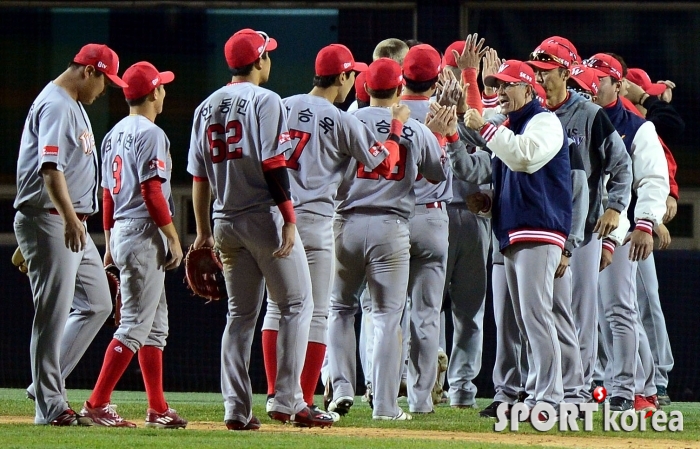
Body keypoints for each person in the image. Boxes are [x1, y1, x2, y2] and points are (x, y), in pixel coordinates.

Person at [187, 28, 330, 430]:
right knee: (297, 305)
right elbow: (273, 163)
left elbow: (199, 178)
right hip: (263, 217)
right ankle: (289, 400)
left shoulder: (206, 105)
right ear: (258, 61)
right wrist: (289, 217)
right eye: (267, 55)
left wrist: (202, 232)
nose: (269, 60)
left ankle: (236, 408)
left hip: (225, 221)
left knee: (240, 316)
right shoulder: (266, 100)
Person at [260, 43, 405, 421]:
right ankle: (302, 401)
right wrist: (396, 128)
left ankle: (276, 393)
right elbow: (383, 162)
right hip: (315, 221)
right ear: (341, 76)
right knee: (318, 313)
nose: (352, 81)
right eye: (350, 74)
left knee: (277, 307)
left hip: (276, 215)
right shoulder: (343, 119)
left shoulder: (280, 105)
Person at [326, 57, 447, 421]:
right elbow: (438, 173)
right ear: (399, 90)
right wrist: (436, 136)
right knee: (386, 319)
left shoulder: (346, 121)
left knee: (339, 309)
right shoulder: (413, 127)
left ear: (363, 89)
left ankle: (341, 387)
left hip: (344, 224)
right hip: (391, 226)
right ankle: (384, 406)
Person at [13, 43, 127, 426]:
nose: (104, 90)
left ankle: (44, 384)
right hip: (53, 219)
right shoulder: (58, 104)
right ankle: (49, 406)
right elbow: (49, 168)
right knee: (52, 315)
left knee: (97, 302)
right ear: (88, 71)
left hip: (64, 220)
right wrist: (65, 219)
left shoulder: (71, 103)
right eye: (105, 81)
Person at [79, 61, 186, 428]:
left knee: (154, 328)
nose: (165, 92)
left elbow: (107, 194)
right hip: (143, 233)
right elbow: (151, 190)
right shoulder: (151, 133)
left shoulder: (113, 133)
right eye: (163, 87)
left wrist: (109, 241)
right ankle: (96, 403)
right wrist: (173, 237)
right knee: (135, 327)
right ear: (154, 92)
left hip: (124, 231)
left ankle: (157, 408)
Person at [526, 39, 632, 404]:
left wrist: (615, 208)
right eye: (536, 70)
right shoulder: (532, 112)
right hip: (540, 225)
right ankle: (541, 386)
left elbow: (622, 166)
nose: (540, 77)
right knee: (538, 312)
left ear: (565, 73)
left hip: (582, 230)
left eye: (546, 71)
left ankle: (579, 390)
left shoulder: (589, 114)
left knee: (580, 314)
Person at [464, 60, 572, 416]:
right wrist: (490, 200)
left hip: (540, 231)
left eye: (508, 85)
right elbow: (512, 173)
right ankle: (534, 393)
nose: (501, 92)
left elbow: (525, 158)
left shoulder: (546, 120)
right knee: (527, 320)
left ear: (528, 89)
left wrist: (486, 128)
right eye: (496, 85)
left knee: (538, 317)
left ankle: (550, 398)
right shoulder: (510, 127)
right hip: (515, 231)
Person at [585, 52, 669, 412]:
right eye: (587, 77)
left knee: (620, 307)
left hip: (619, 226)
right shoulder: (575, 115)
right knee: (597, 313)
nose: (590, 85)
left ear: (618, 85)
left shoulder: (637, 126)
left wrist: (646, 223)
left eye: (599, 79)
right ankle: (630, 385)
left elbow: (654, 178)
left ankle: (634, 388)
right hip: (580, 227)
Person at [399, 43, 453, 413]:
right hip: (433, 218)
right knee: (426, 314)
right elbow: (461, 169)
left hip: (393, 216)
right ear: (436, 80)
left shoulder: (384, 110)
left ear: (402, 75)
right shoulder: (447, 111)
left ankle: (380, 390)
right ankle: (421, 399)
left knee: (384, 314)